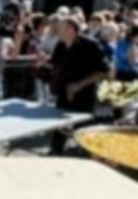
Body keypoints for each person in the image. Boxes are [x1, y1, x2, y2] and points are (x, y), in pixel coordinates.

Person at [47, 17, 109, 155]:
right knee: (59, 126)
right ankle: (55, 152)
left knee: (84, 129)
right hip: (63, 93)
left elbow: (104, 71)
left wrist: (78, 85)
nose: (57, 31)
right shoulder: (61, 45)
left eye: (60, 28)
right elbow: (54, 64)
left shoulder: (91, 45)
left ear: (71, 29)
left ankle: (85, 155)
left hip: (84, 94)